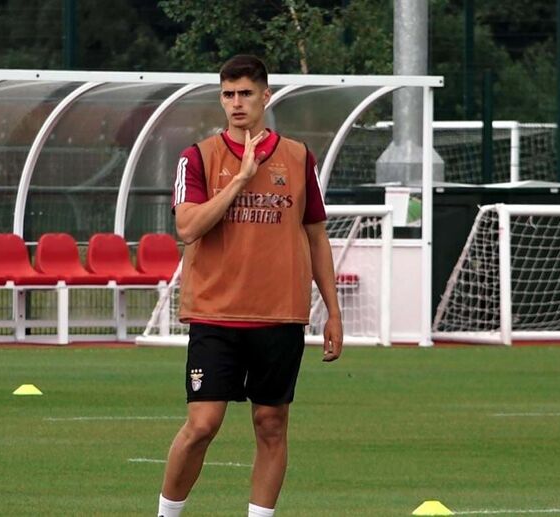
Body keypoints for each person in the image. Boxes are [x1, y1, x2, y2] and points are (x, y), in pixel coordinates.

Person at [157, 55, 343, 517]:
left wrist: (333, 311)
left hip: (280, 313)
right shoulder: (197, 157)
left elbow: (316, 236)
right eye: (228, 94)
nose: (236, 103)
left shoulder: (298, 157)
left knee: (271, 424)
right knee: (202, 424)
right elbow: (187, 227)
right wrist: (240, 178)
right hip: (215, 313)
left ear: (266, 96)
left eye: (245, 93)